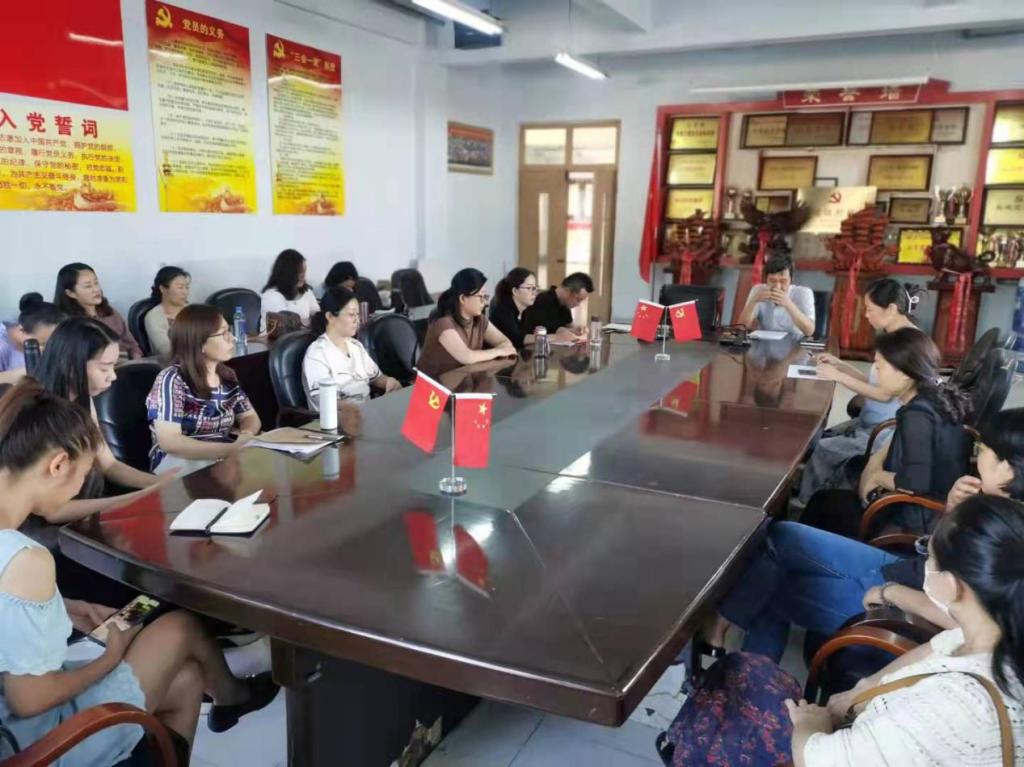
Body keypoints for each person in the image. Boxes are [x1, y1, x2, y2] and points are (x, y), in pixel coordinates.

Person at [0, 380, 278, 765]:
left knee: (187, 679)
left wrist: (65, 607)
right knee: (177, 628)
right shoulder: (26, 560)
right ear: (58, 465)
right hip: (36, 745)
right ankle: (232, 695)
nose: (80, 487)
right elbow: (30, 699)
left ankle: (229, 697)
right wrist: (109, 658)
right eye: (83, 474)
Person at [661, 494, 1024, 767]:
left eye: (929, 558)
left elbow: (818, 759)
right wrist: (861, 690)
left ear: (951, 586)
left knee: (736, 697)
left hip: (831, 749)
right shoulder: (993, 634)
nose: (925, 564)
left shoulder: (955, 708)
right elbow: (937, 648)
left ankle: (692, 736)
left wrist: (810, 724)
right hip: (865, 729)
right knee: (745, 670)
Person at [706, 408, 1024, 663]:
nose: (976, 457)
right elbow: (940, 551)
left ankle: (747, 689)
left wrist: (891, 593)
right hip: (907, 569)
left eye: (983, 450)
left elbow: (977, 628)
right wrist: (953, 509)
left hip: (908, 612)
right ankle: (724, 628)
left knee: (767, 591)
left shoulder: (1009, 535)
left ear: (1007, 469)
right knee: (782, 534)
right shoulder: (995, 505)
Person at [801, 326, 972, 538]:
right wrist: (874, 463)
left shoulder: (917, 415)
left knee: (820, 504)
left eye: (880, 366)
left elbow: (915, 483)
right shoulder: (933, 395)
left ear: (904, 375)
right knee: (849, 474)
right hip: (931, 501)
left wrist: (877, 477)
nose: (876, 372)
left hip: (912, 517)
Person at [30, 318, 170, 527]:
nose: (113, 377)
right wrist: (137, 498)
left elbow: (108, 465)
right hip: (54, 528)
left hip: (89, 505)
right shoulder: (39, 416)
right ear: (70, 365)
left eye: (114, 366)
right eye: (104, 369)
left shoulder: (82, 399)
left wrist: (160, 483)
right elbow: (55, 511)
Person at [797, 279, 922, 502]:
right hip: (871, 420)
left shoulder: (907, 344)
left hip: (884, 430)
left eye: (870, 309)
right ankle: (813, 489)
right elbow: (875, 381)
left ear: (891, 309)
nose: (866, 315)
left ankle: (808, 503)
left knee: (823, 448)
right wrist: (840, 365)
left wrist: (837, 376)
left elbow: (884, 395)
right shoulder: (895, 336)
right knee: (816, 435)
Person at [147, 305, 261, 472]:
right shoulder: (172, 379)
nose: (233, 338)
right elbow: (170, 442)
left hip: (222, 455)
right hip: (178, 462)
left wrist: (246, 435)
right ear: (199, 343)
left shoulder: (227, 376)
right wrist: (230, 450)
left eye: (229, 331)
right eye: (223, 333)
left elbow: (249, 416)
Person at [303, 286, 401, 411]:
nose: (357, 320)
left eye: (357, 314)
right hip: (339, 418)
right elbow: (325, 401)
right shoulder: (317, 354)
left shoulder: (356, 346)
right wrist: (357, 408)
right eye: (351, 315)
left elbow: (375, 377)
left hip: (367, 413)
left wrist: (388, 382)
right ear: (330, 317)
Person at [416, 269, 516, 379]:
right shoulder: (443, 324)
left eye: (485, 296)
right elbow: (467, 357)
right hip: (430, 386)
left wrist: (502, 350)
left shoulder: (480, 320)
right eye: (480, 296)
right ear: (463, 298)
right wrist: (499, 351)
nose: (485, 302)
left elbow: (506, 343)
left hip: (459, 381)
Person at [54, 262, 142, 360]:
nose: (96, 289)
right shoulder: (68, 324)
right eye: (88, 286)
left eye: (96, 283)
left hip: (127, 364)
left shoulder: (110, 312)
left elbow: (132, 346)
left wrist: (136, 359)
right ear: (71, 293)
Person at [737, 254, 815, 337]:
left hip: (794, 343)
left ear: (791, 279)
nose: (777, 287)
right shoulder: (758, 290)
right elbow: (741, 328)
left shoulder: (803, 293)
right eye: (772, 281)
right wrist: (753, 302)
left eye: (783, 281)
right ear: (766, 280)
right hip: (764, 342)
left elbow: (809, 331)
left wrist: (788, 304)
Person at [0, 293, 64, 384]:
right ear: (22, 330)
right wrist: (32, 370)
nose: (47, 350)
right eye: (42, 344)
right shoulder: (2, 345)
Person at [521, 272, 593, 342]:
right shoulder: (542, 301)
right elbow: (533, 333)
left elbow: (567, 327)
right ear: (567, 291)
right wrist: (560, 333)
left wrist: (575, 330)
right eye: (578, 299)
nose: (578, 304)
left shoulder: (565, 305)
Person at [261, 249, 320, 332]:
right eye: (299, 273)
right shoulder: (271, 295)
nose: (303, 277)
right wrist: (309, 322)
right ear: (287, 273)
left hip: (303, 337)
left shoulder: (306, 292)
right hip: (278, 339)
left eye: (304, 272)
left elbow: (317, 315)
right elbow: (286, 324)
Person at [144, 266, 191, 363]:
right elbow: (166, 350)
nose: (185, 292)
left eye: (187, 287)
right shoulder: (154, 316)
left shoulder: (192, 310)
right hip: (172, 364)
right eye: (180, 287)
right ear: (163, 289)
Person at [488, 267, 539, 349]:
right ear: (515, 291)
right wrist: (555, 337)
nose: (534, 293)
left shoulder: (526, 310)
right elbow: (517, 339)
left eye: (535, 288)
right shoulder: (503, 310)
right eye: (529, 288)